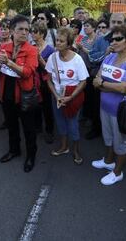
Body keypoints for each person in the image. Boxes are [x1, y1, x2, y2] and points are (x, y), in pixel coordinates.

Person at [91, 24, 126, 185]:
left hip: (122, 111)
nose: (113, 42)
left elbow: (125, 87)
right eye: (112, 39)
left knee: (121, 143)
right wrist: (107, 86)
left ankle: (117, 172)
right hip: (105, 107)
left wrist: (104, 85)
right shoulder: (109, 57)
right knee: (108, 137)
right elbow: (95, 81)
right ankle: (108, 161)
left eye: (118, 39)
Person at [0, 15, 38, 172]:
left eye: (27, 30)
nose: (24, 33)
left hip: (25, 97)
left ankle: (31, 156)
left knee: (29, 129)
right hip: (7, 95)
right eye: (20, 29)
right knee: (12, 126)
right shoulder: (4, 48)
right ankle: (14, 150)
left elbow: (27, 72)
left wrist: (9, 62)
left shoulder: (31, 50)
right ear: (12, 31)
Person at [45, 27, 88, 164]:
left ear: (69, 44)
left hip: (72, 98)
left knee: (73, 125)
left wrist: (71, 97)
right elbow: (49, 80)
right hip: (57, 97)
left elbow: (83, 82)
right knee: (60, 123)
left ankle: (76, 150)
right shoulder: (52, 57)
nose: (57, 43)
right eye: (57, 40)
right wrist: (56, 96)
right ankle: (64, 147)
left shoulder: (77, 59)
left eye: (61, 41)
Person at [86, 13, 125, 140]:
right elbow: (91, 57)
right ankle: (97, 128)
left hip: (120, 83)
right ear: (110, 23)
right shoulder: (101, 40)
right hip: (100, 80)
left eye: (120, 22)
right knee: (96, 106)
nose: (116, 25)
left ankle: (119, 132)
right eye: (114, 22)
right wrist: (105, 53)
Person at [30, 22, 56, 144]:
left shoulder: (50, 50)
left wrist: (40, 59)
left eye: (35, 32)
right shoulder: (31, 46)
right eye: (32, 31)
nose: (32, 34)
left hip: (45, 81)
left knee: (47, 106)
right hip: (33, 80)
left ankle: (49, 130)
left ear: (42, 34)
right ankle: (38, 126)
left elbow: (51, 69)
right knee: (35, 104)